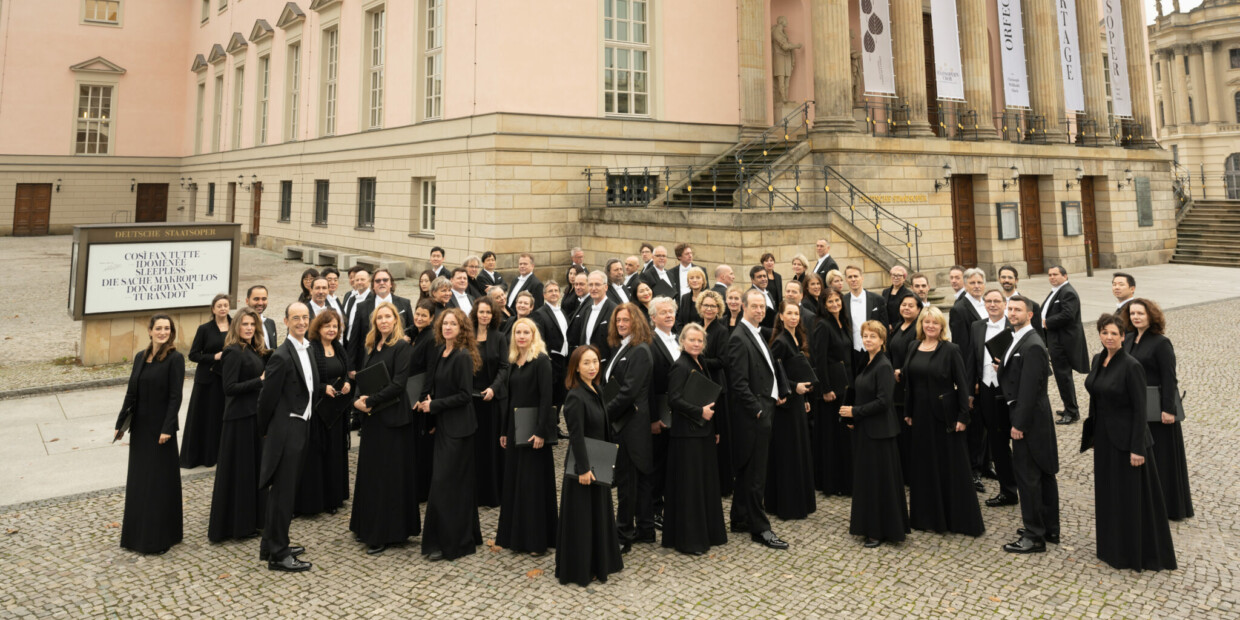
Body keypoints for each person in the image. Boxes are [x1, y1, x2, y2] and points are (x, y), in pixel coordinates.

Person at [1084, 314, 1177, 571]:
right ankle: (1110, 547)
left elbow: (1140, 410)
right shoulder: (1097, 359)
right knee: (1108, 492)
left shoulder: (1132, 365)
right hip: (1104, 437)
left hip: (1128, 441)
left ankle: (1132, 552)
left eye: (1114, 333)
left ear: (1123, 336)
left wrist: (1138, 448)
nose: (1109, 337)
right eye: (1105, 333)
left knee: (1128, 495)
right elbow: (1096, 397)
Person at [901, 306, 984, 536]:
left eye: (935, 323)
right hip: (919, 417)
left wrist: (963, 416)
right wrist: (908, 411)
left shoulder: (951, 349)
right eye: (926, 322)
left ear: (941, 326)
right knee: (924, 467)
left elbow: (963, 384)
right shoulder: (913, 346)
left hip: (945, 418)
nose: (930, 326)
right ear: (921, 325)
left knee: (950, 468)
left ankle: (955, 519)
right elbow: (910, 383)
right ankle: (927, 517)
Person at [349, 302, 420, 555]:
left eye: (388, 317)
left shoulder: (401, 347)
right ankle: (365, 526)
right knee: (371, 475)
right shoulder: (371, 346)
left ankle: (387, 532)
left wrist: (369, 401)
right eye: (380, 318)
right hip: (373, 419)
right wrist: (358, 398)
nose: (384, 321)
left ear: (395, 320)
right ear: (375, 322)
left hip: (393, 421)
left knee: (389, 477)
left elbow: (399, 384)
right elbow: (363, 376)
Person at [415, 308, 484, 561]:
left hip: (459, 429)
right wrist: (432, 410)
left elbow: (465, 396)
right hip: (444, 425)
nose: (447, 327)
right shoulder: (441, 352)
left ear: (462, 328)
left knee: (446, 484)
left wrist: (434, 405)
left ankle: (453, 543)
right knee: (449, 483)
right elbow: (441, 388)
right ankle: (461, 536)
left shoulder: (462, 356)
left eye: (453, 324)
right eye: (444, 324)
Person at [114, 314, 184, 555]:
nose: (163, 332)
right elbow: (131, 392)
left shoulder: (175, 359)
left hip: (161, 431)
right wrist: (121, 422)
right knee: (139, 481)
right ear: (150, 331)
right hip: (141, 429)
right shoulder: (140, 358)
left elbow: (176, 397)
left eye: (167, 328)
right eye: (159, 328)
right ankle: (135, 535)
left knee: (158, 484)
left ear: (171, 332)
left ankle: (160, 537)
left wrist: (167, 428)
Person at [555, 346, 624, 586]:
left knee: (598, 515)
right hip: (583, 468)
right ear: (576, 367)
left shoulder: (597, 389)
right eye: (586, 363)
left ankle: (599, 561)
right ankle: (582, 567)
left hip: (599, 462)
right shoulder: (575, 395)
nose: (592, 366)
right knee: (583, 519)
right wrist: (583, 469)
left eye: (595, 361)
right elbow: (576, 435)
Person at [257, 302, 317, 571]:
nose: (301, 322)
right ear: (286, 321)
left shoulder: (309, 348)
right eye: (296, 318)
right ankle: (279, 555)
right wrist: (268, 432)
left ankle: (271, 543)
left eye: (305, 317)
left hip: (301, 426)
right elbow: (265, 400)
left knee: (286, 491)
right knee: (283, 493)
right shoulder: (280, 356)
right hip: (286, 431)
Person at [728, 289, 789, 549]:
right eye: (754, 306)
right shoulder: (739, 338)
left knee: (747, 468)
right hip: (754, 414)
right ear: (743, 307)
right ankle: (760, 528)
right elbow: (738, 383)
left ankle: (740, 518)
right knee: (756, 474)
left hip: (764, 407)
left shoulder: (756, 331)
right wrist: (758, 410)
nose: (759, 311)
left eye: (762, 307)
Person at [999, 296, 1060, 554]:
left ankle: (1035, 536)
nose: (1012, 313)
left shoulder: (1033, 344)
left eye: (1017, 310)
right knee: (1040, 473)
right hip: (1031, 417)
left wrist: (1019, 424)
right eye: (1010, 309)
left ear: (1030, 314)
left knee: (1029, 477)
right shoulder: (1018, 337)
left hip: (1030, 419)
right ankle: (1048, 528)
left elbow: (1030, 390)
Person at [840, 320, 908, 548]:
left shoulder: (883, 366)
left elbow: (883, 402)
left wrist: (855, 411)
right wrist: (852, 417)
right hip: (865, 431)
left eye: (873, 336)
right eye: (865, 336)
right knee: (868, 481)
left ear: (882, 340)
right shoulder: (866, 362)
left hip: (880, 434)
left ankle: (880, 531)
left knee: (879, 482)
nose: (868, 340)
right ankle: (869, 526)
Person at [1124, 299, 1192, 520]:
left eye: (1140, 314)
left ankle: (1167, 505)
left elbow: (1169, 378)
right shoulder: (1130, 339)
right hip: (1135, 406)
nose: (1136, 317)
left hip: (1157, 410)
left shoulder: (1161, 343)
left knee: (1161, 457)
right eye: (1132, 313)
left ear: (1151, 316)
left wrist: (1168, 409)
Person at [662, 323, 727, 555]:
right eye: (692, 340)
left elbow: (710, 395)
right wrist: (700, 413)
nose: (696, 344)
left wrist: (715, 427)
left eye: (700, 340)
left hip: (704, 432)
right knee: (690, 488)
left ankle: (708, 532)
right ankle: (690, 541)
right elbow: (674, 400)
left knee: (704, 485)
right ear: (683, 341)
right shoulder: (680, 366)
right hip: (687, 436)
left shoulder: (700, 362)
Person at [494, 318, 558, 556]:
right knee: (515, 482)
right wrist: (503, 430)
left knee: (532, 485)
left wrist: (541, 431)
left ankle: (536, 541)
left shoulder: (541, 361)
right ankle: (515, 537)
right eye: (518, 332)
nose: (521, 336)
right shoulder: (513, 361)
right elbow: (508, 400)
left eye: (526, 332)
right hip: (514, 430)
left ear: (533, 335)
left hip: (533, 431)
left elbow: (546, 398)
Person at [209, 307, 268, 542]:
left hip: (252, 416)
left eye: (252, 324)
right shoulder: (232, 351)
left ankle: (253, 519)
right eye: (244, 324)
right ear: (237, 327)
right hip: (239, 419)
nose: (249, 328)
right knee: (241, 473)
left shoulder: (252, 348)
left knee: (252, 471)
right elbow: (229, 388)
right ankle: (239, 524)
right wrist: (260, 381)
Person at [603, 303, 656, 553]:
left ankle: (624, 533)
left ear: (637, 322)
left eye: (625, 320)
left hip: (631, 424)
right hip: (623, 422)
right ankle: (644, 529)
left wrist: (603, 413)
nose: (621, 324)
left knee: (629, 482)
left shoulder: (640, 350)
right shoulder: (621, 347)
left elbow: (629, 391)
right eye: (618, 321)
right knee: (635, 479)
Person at [966, 290, 1019, 509]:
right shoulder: (977, 327)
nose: (993, 304)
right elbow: (971, 360)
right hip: (986, 391)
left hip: (1010, 392)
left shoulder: (1015, 327)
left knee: (1013, 440)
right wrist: (970, 391)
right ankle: (1008, 490)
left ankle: (1015, 486)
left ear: (1005, 304)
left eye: (997, 301)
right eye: (989, 301)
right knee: (996, 441)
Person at [296, 309, 351, 517]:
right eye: (327, 326)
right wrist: (322, 388)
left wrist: (346, 382)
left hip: (336, 413)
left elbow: (345, 371)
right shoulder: (311, 348)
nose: (331, 329)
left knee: (335, 455)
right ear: (318, 327)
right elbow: (306, 377)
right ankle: (315, 499)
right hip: (317, 413)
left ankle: (333, 497)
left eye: (335, 326)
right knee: (317, 456)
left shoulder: (339, 347)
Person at [765, 301, 816, 520]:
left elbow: (795, 369)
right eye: (789, 313)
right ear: (781, 317)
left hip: (797, 402)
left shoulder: (798, 339)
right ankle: (786, 504)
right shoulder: (780, 341)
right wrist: (794, 388)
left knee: (800, 450)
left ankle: (801, 499)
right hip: (785, 406)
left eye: (796, 313)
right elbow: (773, 373)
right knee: (788, 452)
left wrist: (802, 396)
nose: (794, 317)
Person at [180, 293, 232, 469]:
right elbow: (193, 355)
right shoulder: (204, 329)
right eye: (219, 306)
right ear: (213, 309)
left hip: (228, 377)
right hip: (208, 379)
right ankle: (204, 455)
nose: (223, 308)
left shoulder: (236, 326)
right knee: (207, 416)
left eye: (225, 305)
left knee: (223, 415)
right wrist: (214, 357)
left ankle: (221, 453)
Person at [950, 268, 991, 490]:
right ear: (965, 285)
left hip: (990, 370)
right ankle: (974, 469)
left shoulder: (987, 304)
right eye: (972, 282)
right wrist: (969, 381)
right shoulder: (960, 309)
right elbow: (963, 348)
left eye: (979, 282)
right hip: (974, 372)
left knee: (989, 421)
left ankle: (986, 462)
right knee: (975, 425)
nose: (976, 286)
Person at [813, 288, 853, 496]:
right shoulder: (822, 326)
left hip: (845, 384)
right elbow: (819, 360)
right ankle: (833, 482)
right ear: (824, 305)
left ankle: (846, 479)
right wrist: (825, 388)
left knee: (844, 435)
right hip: (832, 390)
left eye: (837, 300)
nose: (835, 304)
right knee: (832, 436)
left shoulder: (844, 323)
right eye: (830, 301)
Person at [471, 297, 509, 508]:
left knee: (492, 448)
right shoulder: (467, 337)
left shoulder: (500, 337)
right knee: (475, 447)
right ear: (475, 313)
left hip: (493, 399)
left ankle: (493, 493)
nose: (484, 315)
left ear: (493, 315)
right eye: (481, 312)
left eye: (488, 312)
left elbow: (504, 366)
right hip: (472, 399)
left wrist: (493, 388)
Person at [1042, 266, 1090, 424]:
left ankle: (1072, 412)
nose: (1052, 277)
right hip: (1055, 341)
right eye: (1050, 275)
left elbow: (1068, 315)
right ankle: (1069, 407)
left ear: (1065, 275)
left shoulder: (1067, 292)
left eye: (1055, 274)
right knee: (1061, 378)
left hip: (1063, 343)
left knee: (1064, 377)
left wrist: (1046, 322)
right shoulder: (1057, 291)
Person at [696, 290, 733, 496]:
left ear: (719, 309)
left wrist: (698, 360)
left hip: (716, 386)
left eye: (713, 306)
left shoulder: (721, 330)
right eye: (706, 305)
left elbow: (722, 361)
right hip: (700, 385)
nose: (709, 309)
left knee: (719, 435)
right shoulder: (698, 326)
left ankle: (722, 484)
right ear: (700, 307)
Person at [648, 297, 680, 529]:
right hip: (659, 411)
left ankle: (669, 501)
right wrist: (652, 418)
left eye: (671, 312)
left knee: (671, 459)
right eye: (663, 312)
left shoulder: (678, 339)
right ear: (653, 318)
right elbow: (647, 385)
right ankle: (654, 507)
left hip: (677, 410)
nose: (669, 315)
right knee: (657, 462)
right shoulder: (649, 343)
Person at [347, 268, 414, 370]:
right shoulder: (362, 306)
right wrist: (351, 367)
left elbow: (412, 329)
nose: (381, 283)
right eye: (377, 281)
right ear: (373, 285)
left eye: (385, 280)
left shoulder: (404, 303)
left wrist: (405, 338)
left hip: (396, 361)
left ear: (391, 283)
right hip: (369, 360)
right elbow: (354, 338)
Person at [887, 294, 920, 486]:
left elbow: (916, 355)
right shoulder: (899, 326)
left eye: (911, 306)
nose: (906, 308)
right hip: (895, 386)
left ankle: (911, 474)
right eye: (903, 305)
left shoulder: (918, 328)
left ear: (918, 309)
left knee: (909, 431)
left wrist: (903, 370)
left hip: (909, 384)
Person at [407, 299, 439, 503]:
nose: (419, 318)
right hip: (410, 394)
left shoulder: (431, 338)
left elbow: (430, 371)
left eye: (423, 316)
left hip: (421, 398)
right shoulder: (416, 333)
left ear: (432, 318)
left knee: (422, 447)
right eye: (417, 314)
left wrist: (421, 397)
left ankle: (422, 490)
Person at [533, 279, 571, 410]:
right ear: (544, 295)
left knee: (561, 394)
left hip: (564, 361)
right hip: (551, 362)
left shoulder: (563, 312)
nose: (554, 293)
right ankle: (550, 426)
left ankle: (556, 424)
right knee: (551, 396)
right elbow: (540, 340)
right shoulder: (539, 313)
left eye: (556, 291)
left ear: (560, 294)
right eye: (550, 291)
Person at [568, 271, 616, 366]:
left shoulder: (614, 309)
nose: (593, 288)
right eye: (590, 285)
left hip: (603, 365)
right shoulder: (587, 309)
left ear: (605, 287)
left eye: (597, 284)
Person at [844, 265, 885, 374]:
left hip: (874, 351)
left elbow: (884, 328)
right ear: (846, 280)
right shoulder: (842, 301)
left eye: (856, 276)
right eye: (850, 277)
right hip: (852, 353)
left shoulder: (878, 299)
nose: (853, 279)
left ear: (862, 278)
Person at [246, 285, 279, 351]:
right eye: (256, 299)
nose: (260, 303)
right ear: (247, 301)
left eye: (264, 299)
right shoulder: (242, 324)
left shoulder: (270, 323)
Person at [675, 266, 708, 332]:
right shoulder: (685, 298)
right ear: (688, 281)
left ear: (703, 281)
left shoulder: (708, 298)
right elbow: (680, 321)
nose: (694, 280)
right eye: (691, 278)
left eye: (698, 278)